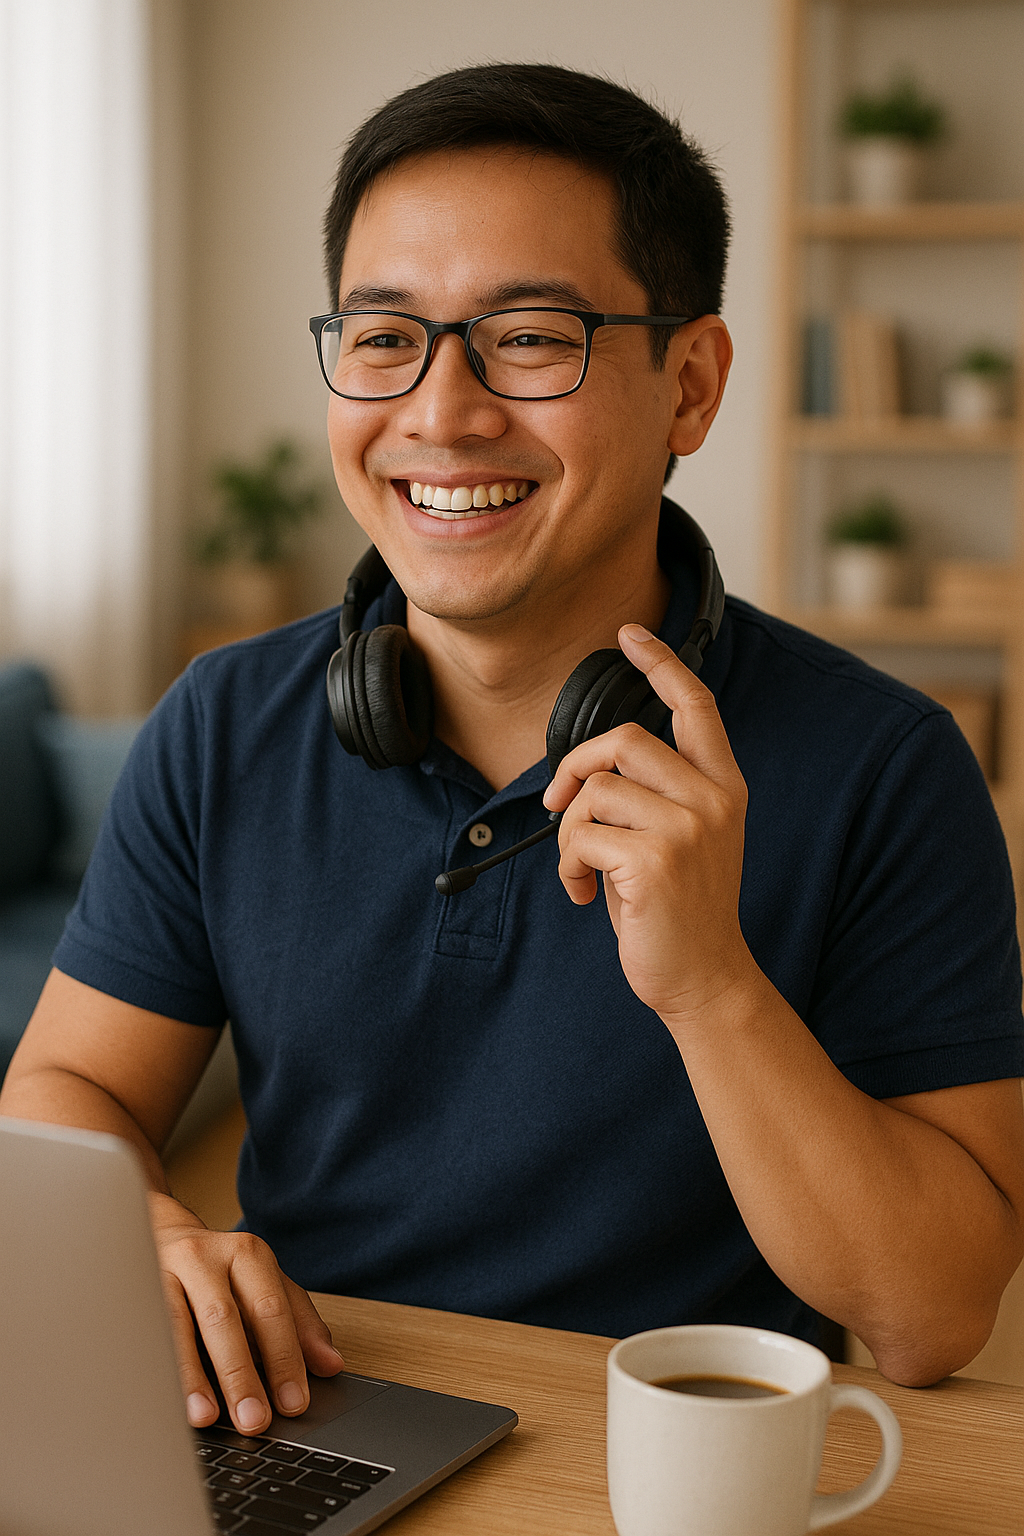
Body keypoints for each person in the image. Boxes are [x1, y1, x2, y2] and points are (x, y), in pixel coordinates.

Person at [3, 64, 1023, 1441]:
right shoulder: (221, 720)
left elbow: (931, 1316)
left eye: (531, 338)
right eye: (384, 340)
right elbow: (73, 1085)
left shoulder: (886, 765)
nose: (442, 411)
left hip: (665, 1464)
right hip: (296, 1429)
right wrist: (147, 1230)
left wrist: (714, 988)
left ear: (691, 385)